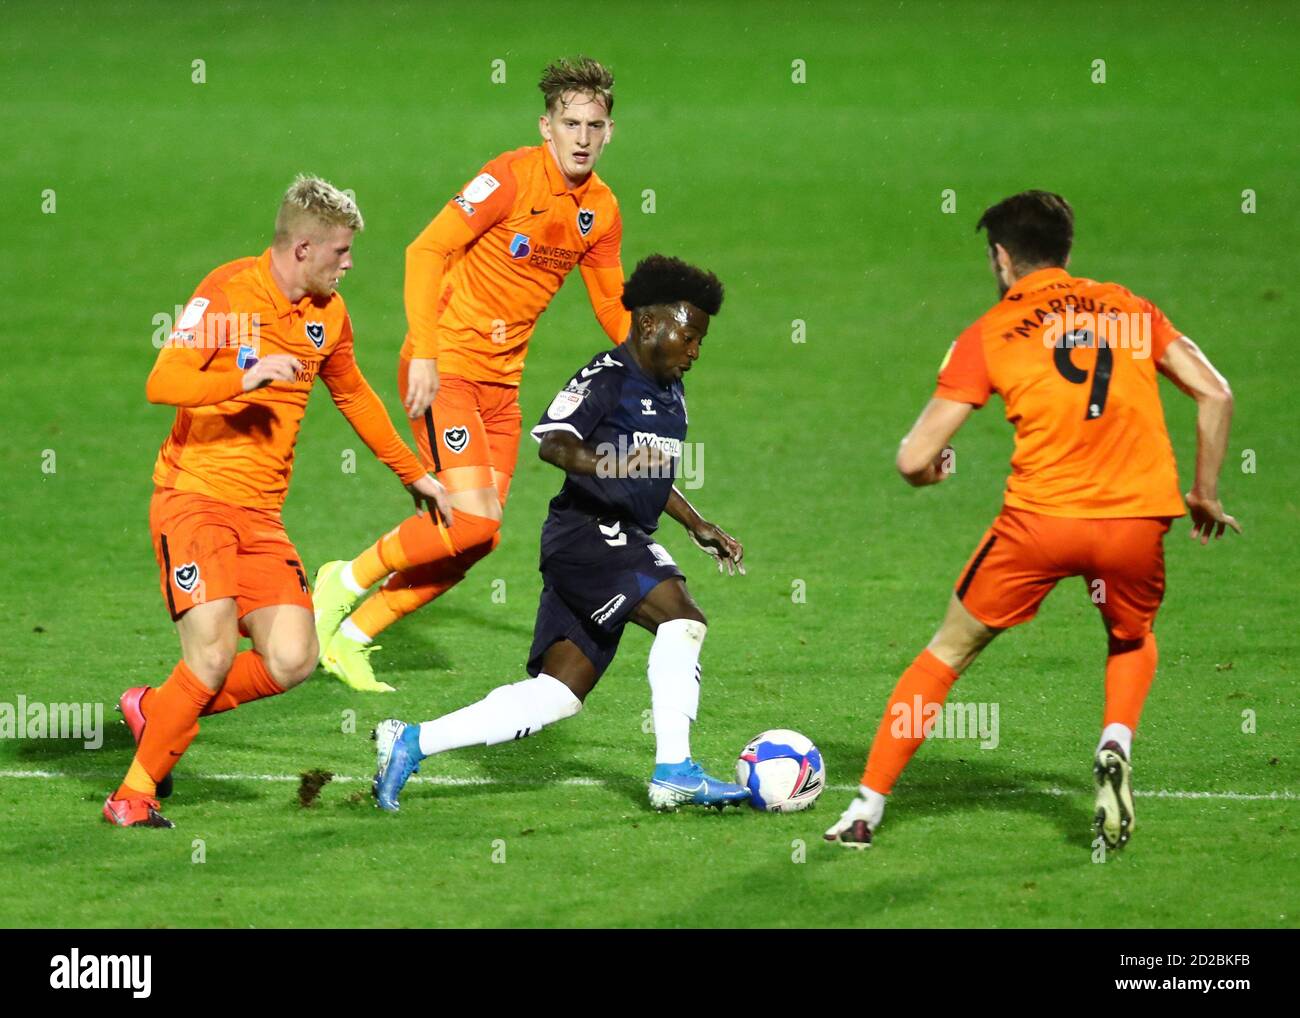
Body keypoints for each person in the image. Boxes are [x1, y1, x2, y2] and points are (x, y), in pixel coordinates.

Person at [824, 191, 1240, 850]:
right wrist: (1204, 491)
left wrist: (932, 473)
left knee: (946, 654)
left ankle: (865, 811)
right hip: (1136, 520)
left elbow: (912, 458)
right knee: (1131, 637)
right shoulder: (1130, 309)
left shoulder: (988, 333)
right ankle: (1113, 741)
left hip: (1039, 524)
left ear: (1001, 257)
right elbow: (1215, 393)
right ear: (1066, 250)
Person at [104, 176, 453, 828]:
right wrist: (246, 375)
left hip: (260, 517)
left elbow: (353, 395)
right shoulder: (230, 294)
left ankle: (155, 708)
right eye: (340, 252)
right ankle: (132, 795)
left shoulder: (329, 316)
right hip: (195, 502)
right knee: (208, 659)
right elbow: (164, 380)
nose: (349, 264)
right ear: (302, 249)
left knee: (292, 659)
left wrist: (413, 474)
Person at [370, 255, 751, 813]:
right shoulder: (608, 377)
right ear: (650, 325)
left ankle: (411, 741)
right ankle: (675, 770)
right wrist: (616, 463)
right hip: (589, 535)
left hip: (609, 540)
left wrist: (696, 523)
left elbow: (654, 470)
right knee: (683, 619)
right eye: (689, 336)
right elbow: (554, 444)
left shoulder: (671, 391)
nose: (695, 350)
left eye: (700, 341)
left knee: (558, 695)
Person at [312, 55, 631, 692]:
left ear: (609, 132)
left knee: (476, 541)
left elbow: (607, 301)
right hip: (447, 367)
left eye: (595, 126)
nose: (583, 138)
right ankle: (340, 582)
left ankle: (352, 637)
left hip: (501, 387)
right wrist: (425, 351)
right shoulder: (508, 179)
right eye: (571, 123)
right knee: (473, 520)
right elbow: (424, 249)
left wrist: (651, 366)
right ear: (547, 127)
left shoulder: (601, 209)